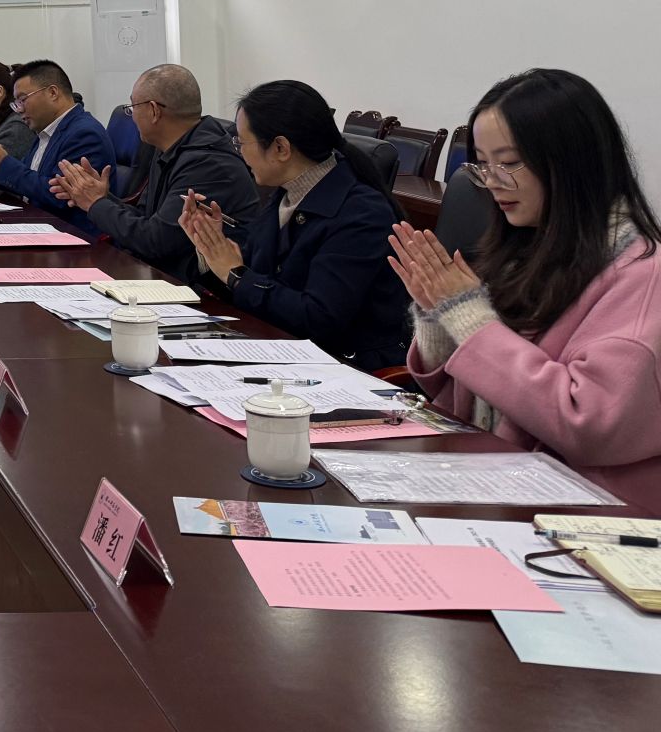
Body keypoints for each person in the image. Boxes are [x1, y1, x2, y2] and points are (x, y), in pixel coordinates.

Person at [392, 69, 661, 512]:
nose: (492, 181)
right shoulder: (526, 247)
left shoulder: (641, 273)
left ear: (574, 162)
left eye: (510, 163)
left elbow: (588, 424)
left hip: (585, 514)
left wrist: (470, 319)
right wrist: (438, 318)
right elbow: (464, 398)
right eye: (482, 164)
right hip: (494, 482)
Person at [177, 80, 406, 368]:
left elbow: (318, 319)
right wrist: (211, 249)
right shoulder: (288, 193)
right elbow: (256, 280)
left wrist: (235, 274)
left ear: (281, 148)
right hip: (281, 350)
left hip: (343, 367)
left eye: (241, 142)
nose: (239, 152)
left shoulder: (363, 214)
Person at [50, 64, 258, 278]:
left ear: (154, 111)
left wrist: (95, 203)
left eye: (132, 107)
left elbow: (155, 242)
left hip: (201, 288)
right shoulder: (170, 148)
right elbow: (147, 220)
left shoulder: (208, 164)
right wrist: (100, 197)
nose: (131, 116)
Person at [0, 60, 113, 228]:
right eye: (16, 103)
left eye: (22, 100)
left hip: (68, 232)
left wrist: (3, 165)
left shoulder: (84, 134)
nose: (19, 109)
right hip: (36, 223)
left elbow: (59, 198)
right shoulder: (46, 131)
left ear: (53, 93)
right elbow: (27, 181)